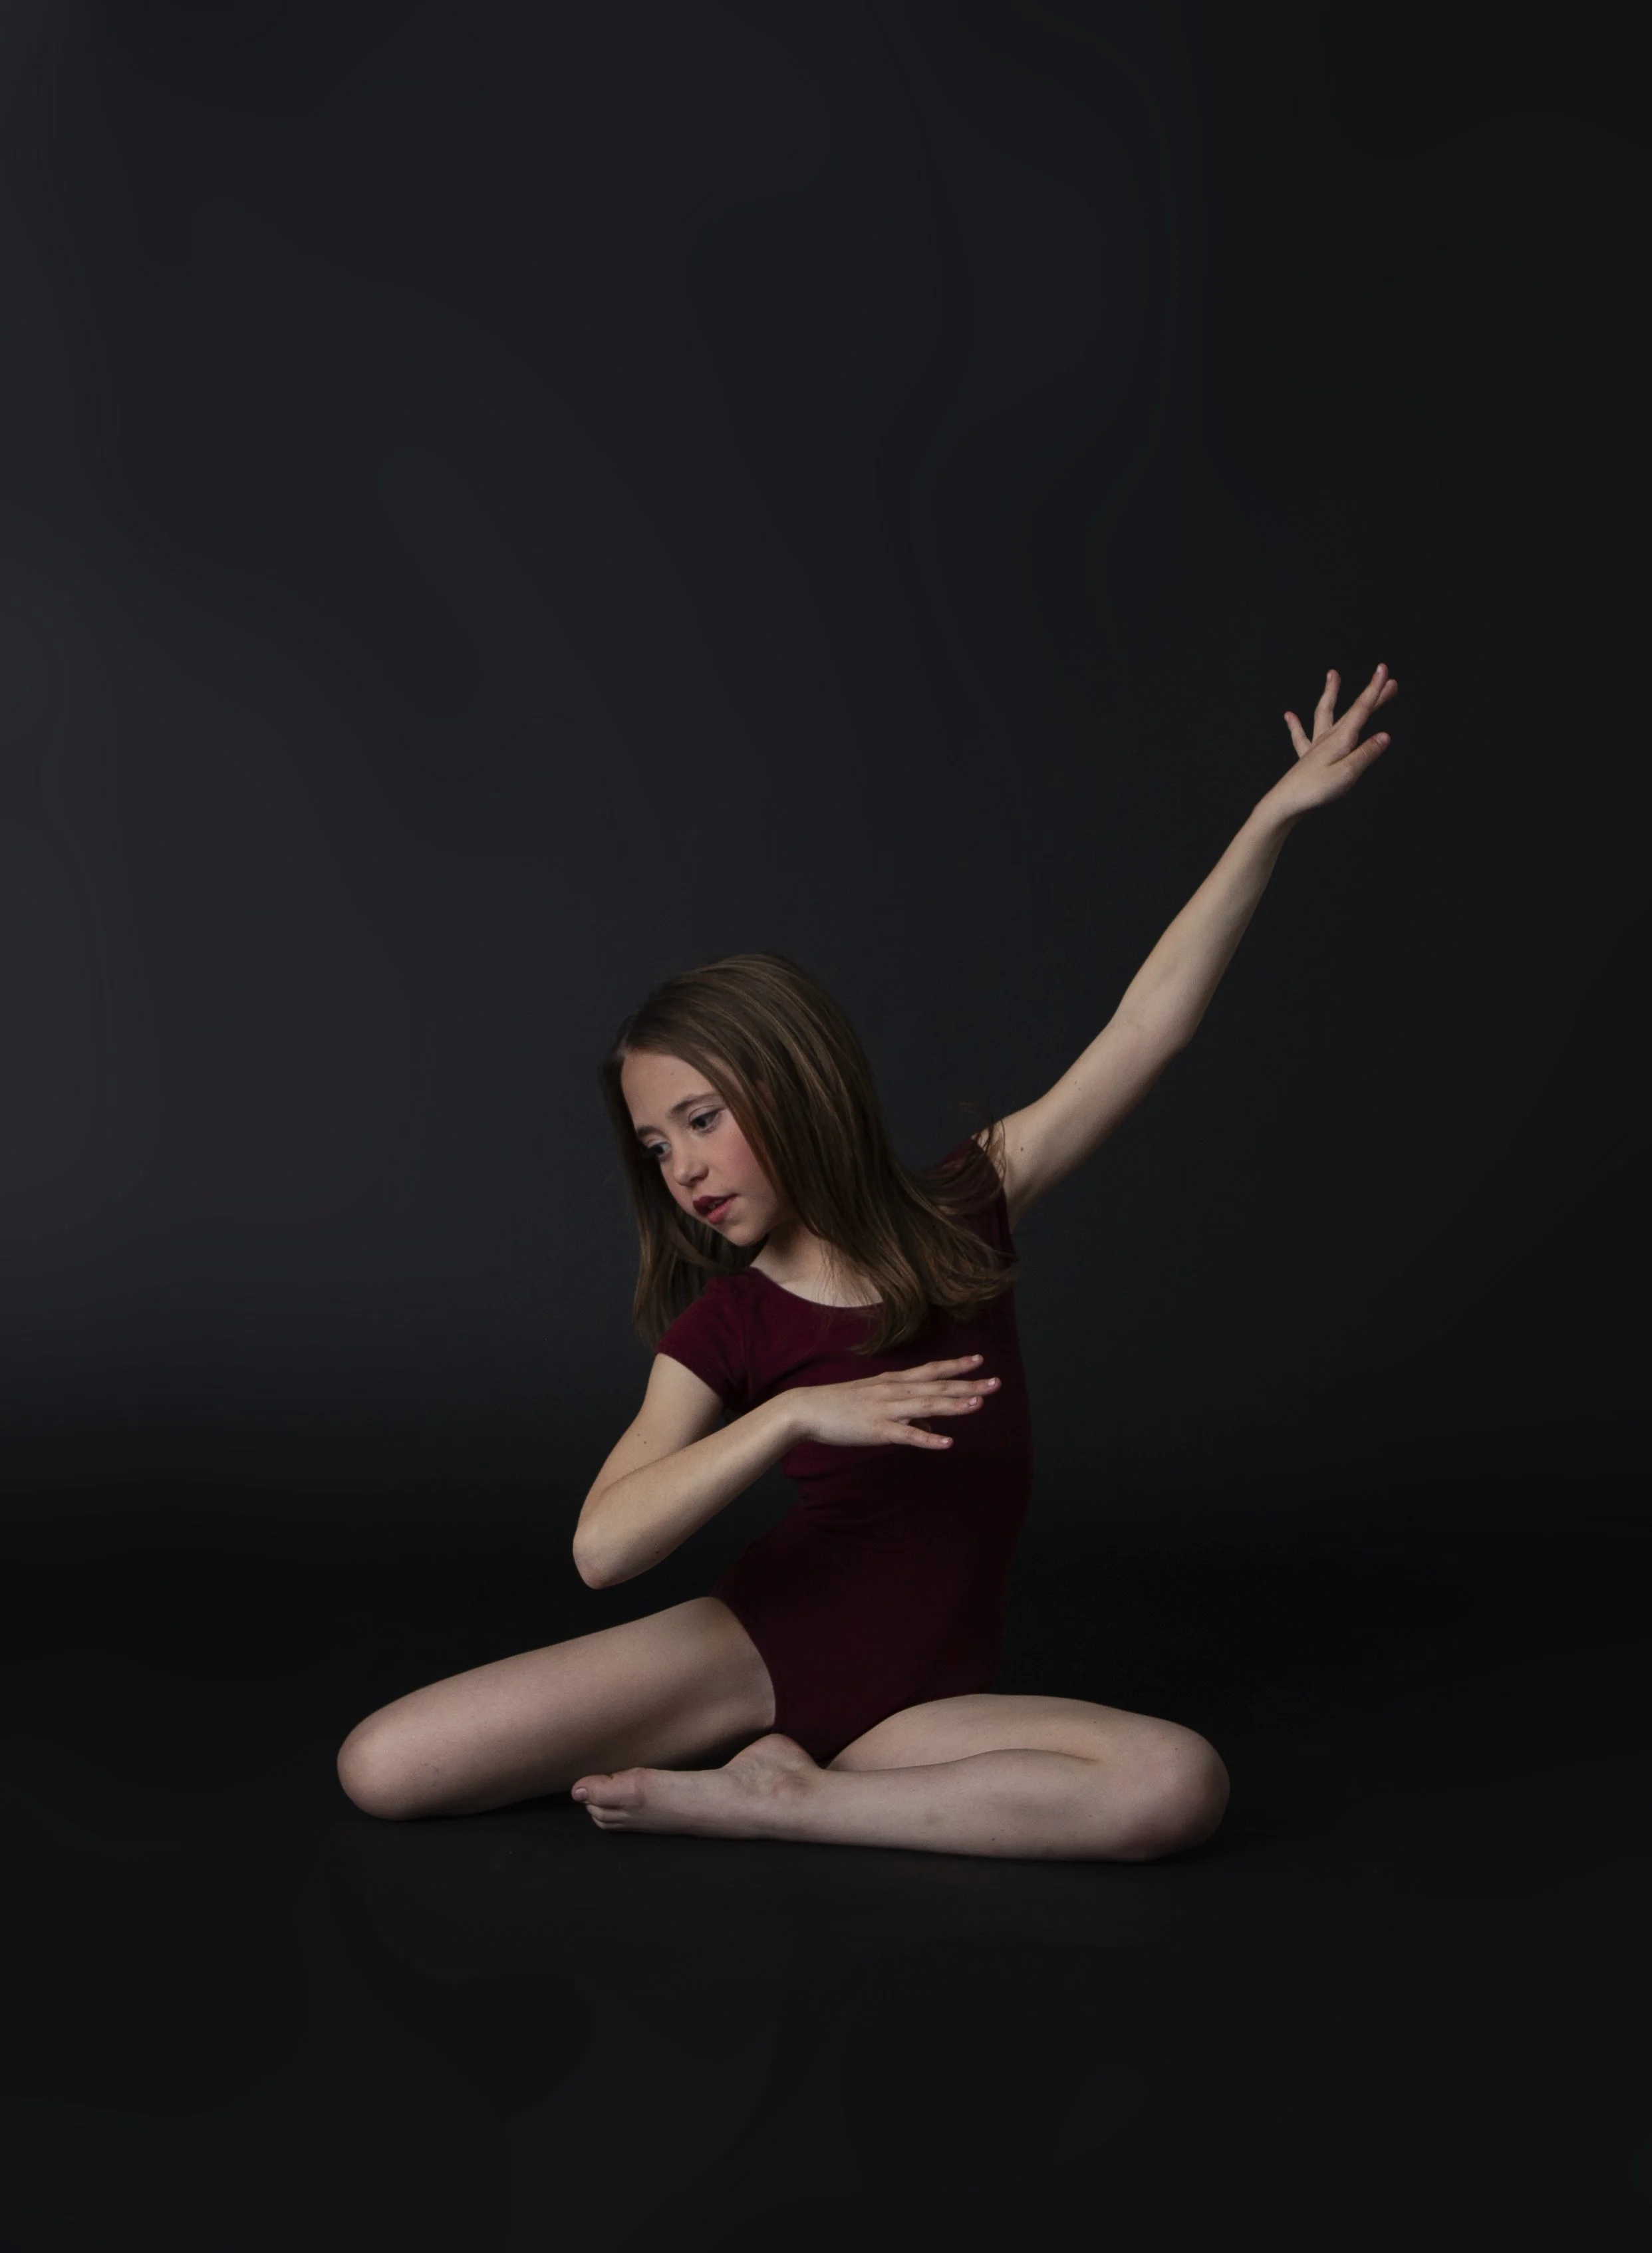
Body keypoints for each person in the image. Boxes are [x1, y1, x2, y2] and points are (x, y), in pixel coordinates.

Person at [337, 663, 1399, 1859]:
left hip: (923, 1704)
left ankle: (791, 1802)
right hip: (750, 1654)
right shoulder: (729, 1328)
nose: (682, 1169)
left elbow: (1147, 1026)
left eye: (700, 1120)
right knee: (384, 1767)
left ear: (791, 1086)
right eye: (655, 1147)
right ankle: (771, 1776)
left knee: (1174, 1783)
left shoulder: (966, 1206)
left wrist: (1270, 819)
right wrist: (791, 1418)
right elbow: (602, 1549)